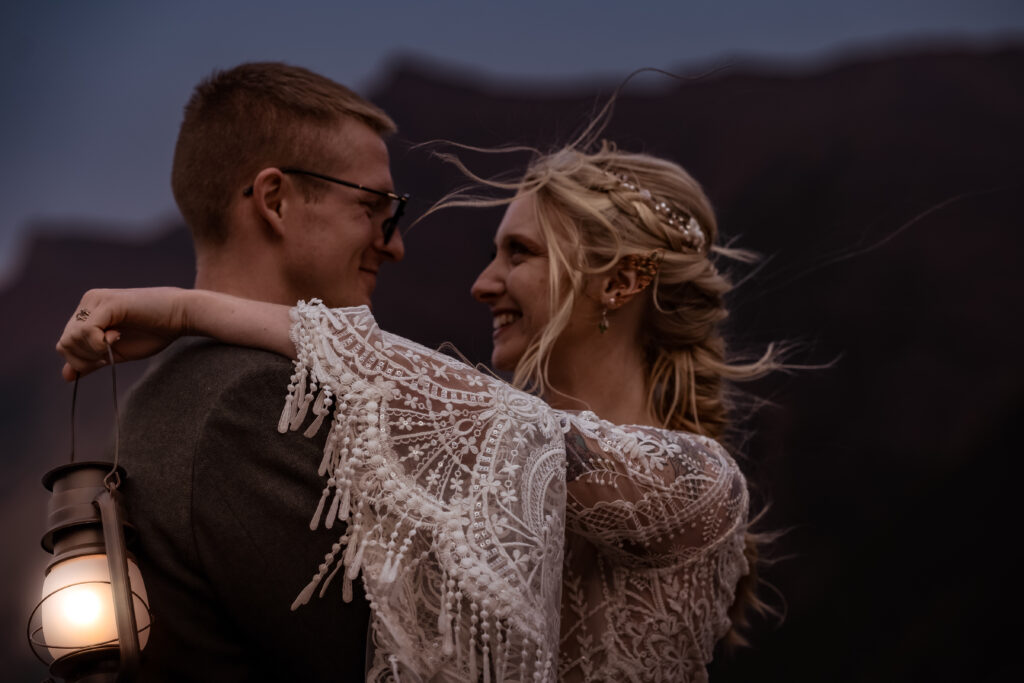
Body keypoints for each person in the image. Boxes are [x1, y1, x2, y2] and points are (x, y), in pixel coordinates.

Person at [59, 140, 776, 682]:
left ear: (620, 280)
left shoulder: (701, 486)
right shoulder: (483, 463)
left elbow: (494, 420)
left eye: (518, 252)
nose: (481, 283)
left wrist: (189, 309)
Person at [90, 61, 406, 681]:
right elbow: (375, 660)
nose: (392, 243)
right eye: (372, 208)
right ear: (275, 201)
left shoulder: (167, 392)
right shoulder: (252, 406)